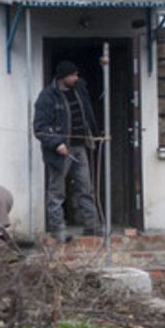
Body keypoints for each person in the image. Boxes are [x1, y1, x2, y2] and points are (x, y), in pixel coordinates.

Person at [33, 60, 101, 241]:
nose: (76, 78)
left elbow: (88, 114)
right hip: (60, 151)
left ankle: (92, 226)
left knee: (85, 187)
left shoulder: (79, 90)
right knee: (57, 191)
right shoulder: (47, 96)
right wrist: (57, 143)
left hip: (79, 147)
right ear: (63, 77)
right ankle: (58, 229)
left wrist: (93, 134)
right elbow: (40, 127)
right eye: (73, 75)